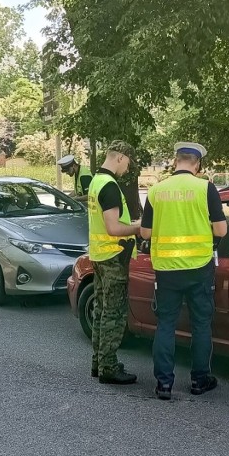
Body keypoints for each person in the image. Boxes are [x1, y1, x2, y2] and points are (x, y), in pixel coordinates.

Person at [140, 141, 228, 400]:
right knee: (201, 324)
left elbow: (145, 232)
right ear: (197, 165)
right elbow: (221, 230)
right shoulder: (205, 188)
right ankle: (200, 380)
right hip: (199, 268)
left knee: (165, 323)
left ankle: (163, 385)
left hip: (166, 270)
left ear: (174, 161)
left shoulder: (156, 190)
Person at [88, 140, 140, 384]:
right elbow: (113, 227)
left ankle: (98, 362)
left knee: (100, 310)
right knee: (114, 313)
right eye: (128, 163)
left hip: (99, 256)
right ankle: (108, 367)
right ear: (120, 157)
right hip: (113, 257)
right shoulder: (109, 186)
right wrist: (138, 227)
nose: (128, 169)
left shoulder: (95, 181)